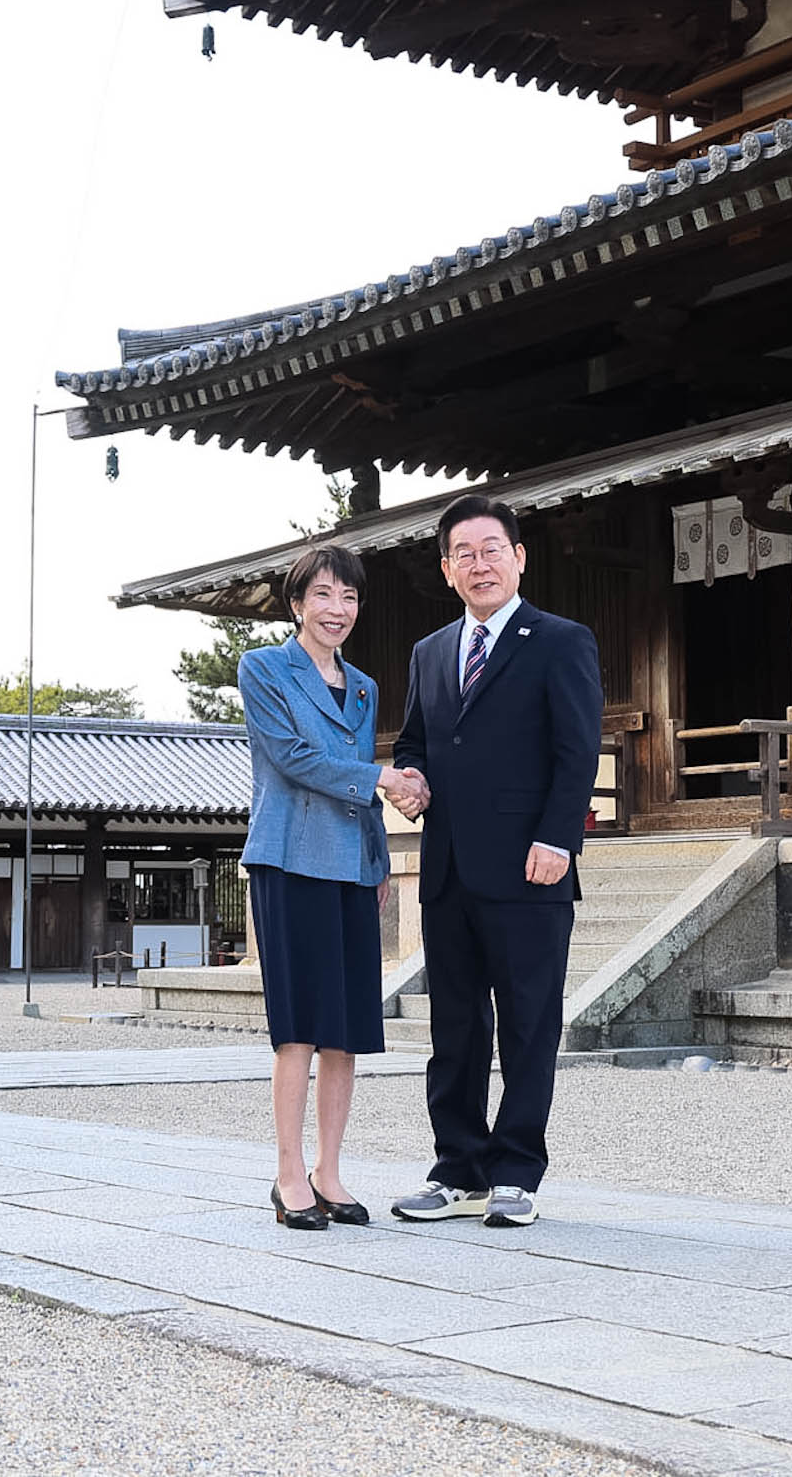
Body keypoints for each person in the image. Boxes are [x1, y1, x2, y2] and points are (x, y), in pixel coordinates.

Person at [387, 494, 601, 1229]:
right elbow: (415, 741)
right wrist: (409, 781)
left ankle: (516, 1172)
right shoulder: (429, 652)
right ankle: (457, 1171)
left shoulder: (560, 640)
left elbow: (577, 750)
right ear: (447, 570)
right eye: (464, 554)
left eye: (492, 549)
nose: (480, 564)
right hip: (447, 867)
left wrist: (557, 837)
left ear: (519, 557)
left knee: (528, 1024)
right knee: (456, 1027)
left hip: (528, 866)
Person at [236, 542, 429, 1230]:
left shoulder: (367, 686)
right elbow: (294, 759)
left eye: (348, 597)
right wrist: (386, 777)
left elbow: (356, 782)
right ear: (296, 603)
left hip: (353, 865)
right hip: (289, 859)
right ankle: (288, 1174)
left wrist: (379, 858)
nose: (336, 609)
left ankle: (330, 1171)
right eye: (322, 595)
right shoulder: (263, 668)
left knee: (345, 1031)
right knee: (299, 1029)